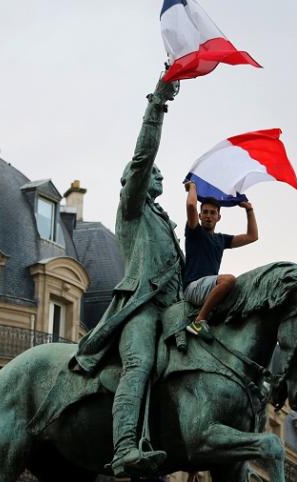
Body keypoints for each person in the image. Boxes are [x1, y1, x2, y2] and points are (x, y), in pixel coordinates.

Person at [69, 76, 182, 477]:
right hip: (140, 307)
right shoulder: (133, 207)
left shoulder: (163, 221)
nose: (161, 180)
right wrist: (158, 105)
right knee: (139, 363)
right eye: (157, 175)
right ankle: (124, 448)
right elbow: (143, 157)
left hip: (173, 309)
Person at [182, 181, 258, 331]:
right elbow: (191, 205)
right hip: (193, 287)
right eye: (205, 212)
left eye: (212, 213)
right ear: (200, 215)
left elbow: (252, 236)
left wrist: (249, 210)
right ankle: (199, 321)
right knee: (229, 280)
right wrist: (192, 187)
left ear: (218, 217)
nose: (208, 216)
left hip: (209, 288)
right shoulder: (194, 231)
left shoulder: (221, 240)